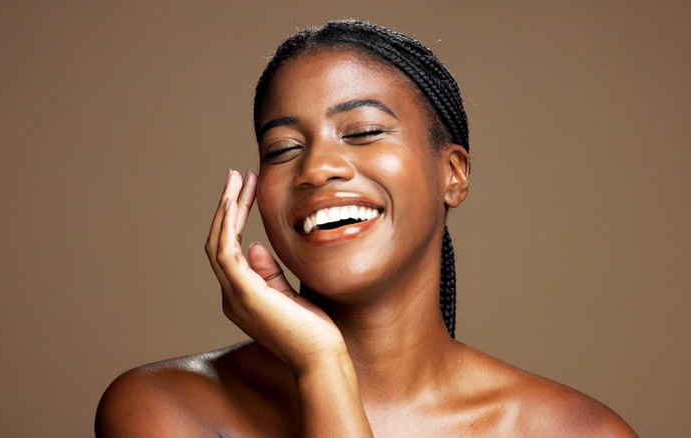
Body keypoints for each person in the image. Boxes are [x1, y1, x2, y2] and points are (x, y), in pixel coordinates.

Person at [95, 20, 637, 437]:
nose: (316, 169)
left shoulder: (573, 430)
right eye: (283, 149)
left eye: (363, 131)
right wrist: (321, 364)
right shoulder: (165, 408)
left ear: (453, 174)